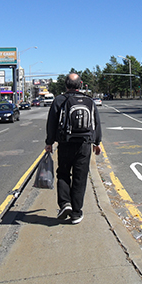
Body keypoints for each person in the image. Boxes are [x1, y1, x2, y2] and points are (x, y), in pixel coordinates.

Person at [45, 73, 102, 224]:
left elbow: (51, 123)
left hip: (65, 143)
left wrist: (49, 142)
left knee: (63, 173)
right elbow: (96, 122)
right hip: (84, 144)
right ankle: (76, 213)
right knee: (80, 178)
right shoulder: (89, 101)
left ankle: (65, 203)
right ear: (81, 84)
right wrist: (97, 142)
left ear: (66, 84)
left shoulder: (59, 100)